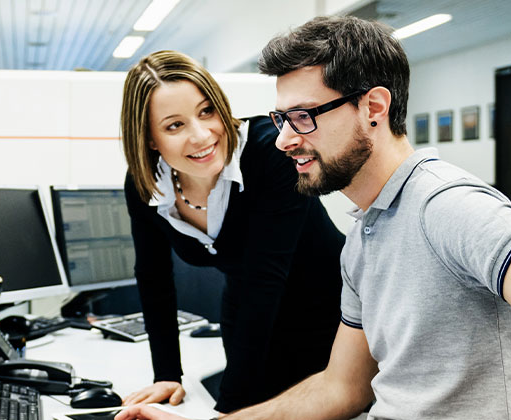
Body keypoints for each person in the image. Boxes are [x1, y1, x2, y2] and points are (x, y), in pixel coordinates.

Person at [116, 16, 511, 420]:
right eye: (280, 118)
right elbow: (340, 388)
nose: (282, 139)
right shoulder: (367, 232)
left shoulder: (447, 205)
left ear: (373, 107)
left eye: (303, 117)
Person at [117, 50, 346, 414]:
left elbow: (265, 282)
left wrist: (229, 411)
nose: (201, 135)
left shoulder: (270, 153)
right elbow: (153, 277)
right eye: (174, 125)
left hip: (329, 307)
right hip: (245, 309)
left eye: (207, 111)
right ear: (148, 139)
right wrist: (167, 374)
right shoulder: (147, 185)